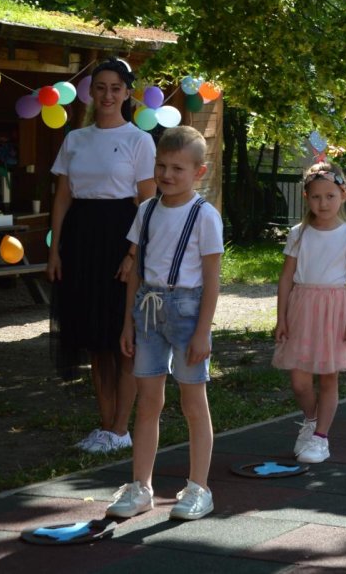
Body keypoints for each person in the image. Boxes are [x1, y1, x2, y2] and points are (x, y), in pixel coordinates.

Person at [106, 126, 224, 521]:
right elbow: (136, 272)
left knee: (193, 402)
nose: (167, 175)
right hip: (148, 310)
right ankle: (141, 487)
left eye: (178, 168)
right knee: (147, 402)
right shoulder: (146, 211)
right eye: (161, 166)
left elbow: (212, 279)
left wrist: (203, 331)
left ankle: (199, 488)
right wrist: (128, 323)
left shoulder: (204, 216)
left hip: (188, 311)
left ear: (198, 172)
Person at [48, 58, 156, 453]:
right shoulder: (75, 139)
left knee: (121, 337)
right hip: (81, 241)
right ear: (91, 92)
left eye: (115, 88)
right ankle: (106, 425)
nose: (107, 95)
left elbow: (147, 203)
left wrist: (132, 254)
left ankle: (121, 427)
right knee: (95, 337)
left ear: (127, 93)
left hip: (120, 239)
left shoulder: (139, 140)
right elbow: (63, 197)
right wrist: (55, 249)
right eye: (100, 87)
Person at [273, 161, 346, 464]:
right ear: (306, 197)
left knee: (328, 378)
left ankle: (320, 437)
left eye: (330, 196)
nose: (323, 203)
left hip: (334, 311)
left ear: (343, 195)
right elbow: (286, 278)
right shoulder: (298, 234)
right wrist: (281, 317)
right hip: (302, 309)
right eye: (316, 196)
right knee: (300, 381)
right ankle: (311, 419)